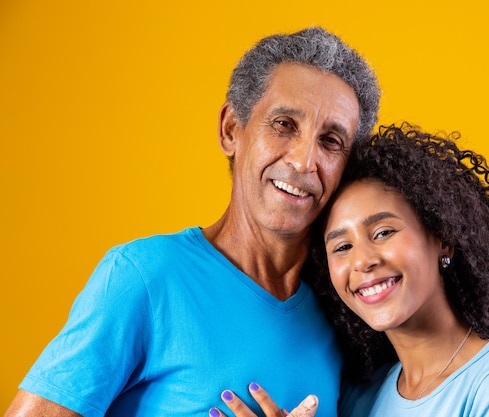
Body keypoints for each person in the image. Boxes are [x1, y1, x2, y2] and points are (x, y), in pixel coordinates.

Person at [4, 27, 380, 417]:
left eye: (331, 141)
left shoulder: (346, 308)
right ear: (231, 130)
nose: (304, 161)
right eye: (285, 124)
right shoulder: (144, 277)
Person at [210, 123, 489, 417]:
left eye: (383, 232)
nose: (363, 260)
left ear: (442, 236)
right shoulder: (363, 399)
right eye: (341, 247)